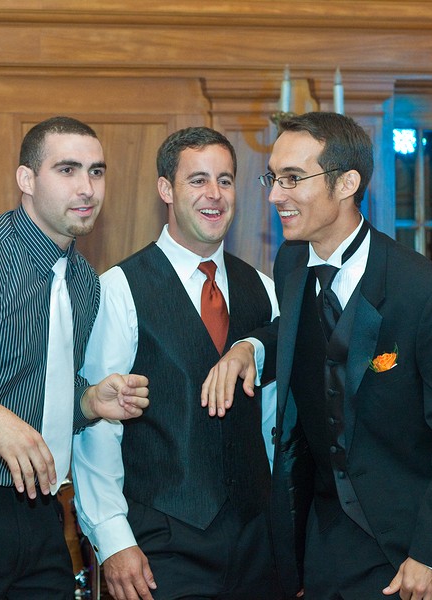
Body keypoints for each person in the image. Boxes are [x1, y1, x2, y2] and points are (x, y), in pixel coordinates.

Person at [202, 112, 432, 599]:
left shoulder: (423, 293)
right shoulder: (292, 262)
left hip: (410, 549)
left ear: (346, 183)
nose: (275, 196)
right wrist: (250, 347)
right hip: (326, 543)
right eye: (273, 178)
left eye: (292, 178)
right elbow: (304, 334)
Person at [0, 116, 149, 599]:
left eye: (96, 172)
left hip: (44, 508)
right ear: (27, 179)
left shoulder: (84, 281)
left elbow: (40, 395)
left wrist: (88, 403)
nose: (87, 188)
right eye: (67, 170)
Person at [72, 127, 281, 600]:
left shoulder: (264, 290)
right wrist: (113, 539)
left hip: (256, 543)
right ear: (166, 189)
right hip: (161, 544)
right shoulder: (119, 289)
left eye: (225, 180)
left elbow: (271, 422)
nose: (214, 195)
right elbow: (98, 428)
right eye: (198, 180)